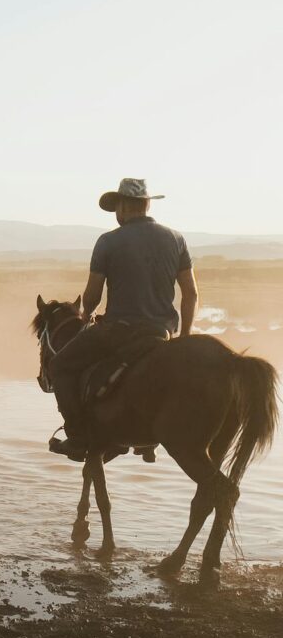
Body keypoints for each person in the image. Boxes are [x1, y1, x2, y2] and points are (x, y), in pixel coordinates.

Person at [48, 178, 198, 461]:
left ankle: (78, 437)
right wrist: (185, 339)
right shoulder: (176, 239)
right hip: (161, 333)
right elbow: (191, 294)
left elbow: (91, 296)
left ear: (125, 206)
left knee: (60, 365)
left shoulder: (108, 241)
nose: (116, 212)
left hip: (119, 331)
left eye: (117, 206)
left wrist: (88, 315)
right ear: (147, 204)